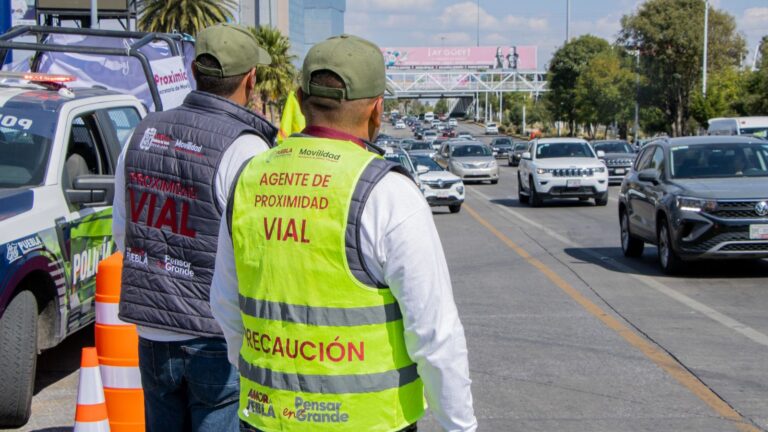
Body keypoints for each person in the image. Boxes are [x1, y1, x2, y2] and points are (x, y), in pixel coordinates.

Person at [211, 34, 478, 432]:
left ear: (300, 101)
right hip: (369, 423)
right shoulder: (387, 193)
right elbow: (435, 334)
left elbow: (225, 305)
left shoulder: (249, 178)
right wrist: (461, 425)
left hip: (268, 419)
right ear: (377, 110)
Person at [112, 24, 277, 432]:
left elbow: (123, 232)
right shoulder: (247, 147)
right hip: (215, 339)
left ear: (193, 70)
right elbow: (257, 256)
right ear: (251, 78)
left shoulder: (143, 131)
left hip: (152, 334)